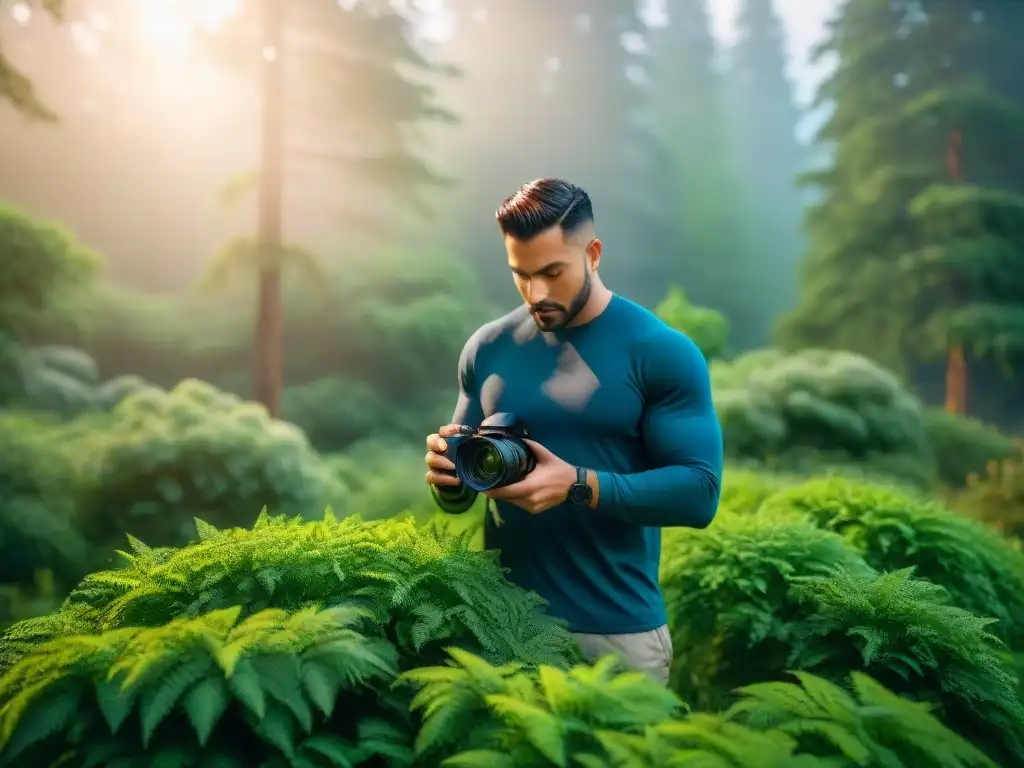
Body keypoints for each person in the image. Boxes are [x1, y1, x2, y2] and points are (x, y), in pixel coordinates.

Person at [424, 178, 723, 684]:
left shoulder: (661, 351)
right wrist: (449, 481)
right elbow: (468, 485)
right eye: (521, 275)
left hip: (617, 637)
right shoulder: (487, 348)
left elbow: (700, 494)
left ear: (594, 253)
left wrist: (578, 484)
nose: (536, 293)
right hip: (503, 628)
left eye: (552, 272)